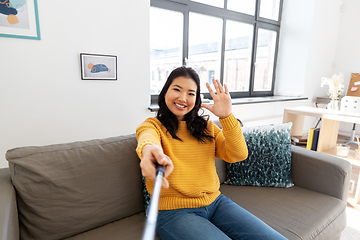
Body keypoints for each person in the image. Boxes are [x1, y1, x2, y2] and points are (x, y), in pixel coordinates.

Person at [136, 66, 287, 240]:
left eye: (191, 93)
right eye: (176, 89)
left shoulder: (206, 127)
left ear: (197, 99)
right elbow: (147, 139)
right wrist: (150, 151)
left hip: (217, 203)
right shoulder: (152, 125)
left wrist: (227, 117)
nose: (183, 98)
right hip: (174, 212)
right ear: (164, 93)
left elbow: (238, 154)